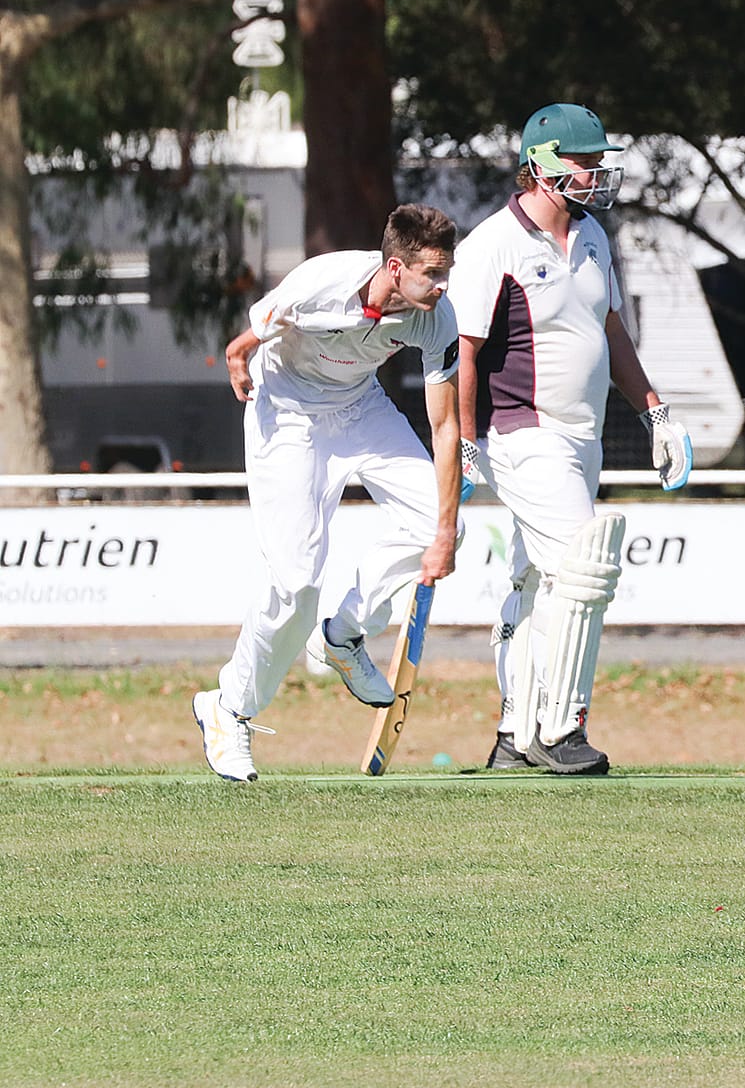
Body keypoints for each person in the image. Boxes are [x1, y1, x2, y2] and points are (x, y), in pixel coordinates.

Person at [452, 101, 691, 777]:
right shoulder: (492, 244)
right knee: (585, 564)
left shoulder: (592, 237)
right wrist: (468, 444)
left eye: (597, 161)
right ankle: (561, 728)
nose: (595, 173)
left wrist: (656, 414)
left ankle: (512, 732)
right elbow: (464, 352)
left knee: (535, 580)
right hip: (520, 430)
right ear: (542, 165)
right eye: (584, 161)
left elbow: (612, 331)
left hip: (581, 438)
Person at [193, 204, 463, 782]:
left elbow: (445, 427)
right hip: (286, 413)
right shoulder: (323, 282)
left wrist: (443, 536)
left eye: (446, 274)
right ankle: (228, 708)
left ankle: (345, 636)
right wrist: (239, 364)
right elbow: (244, 343)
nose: (442, 288)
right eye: (431, 276)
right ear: (395, 265)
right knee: (295, 586)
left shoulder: (435, 320)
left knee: (442, 522)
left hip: (359, 407)